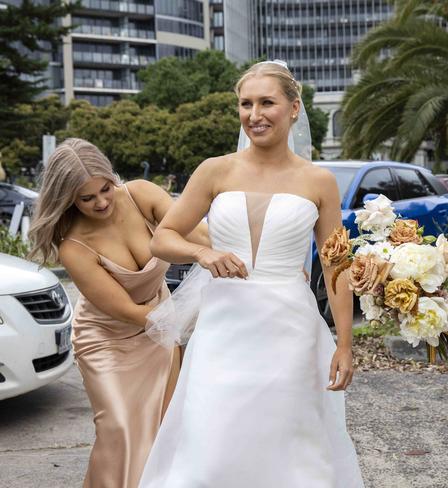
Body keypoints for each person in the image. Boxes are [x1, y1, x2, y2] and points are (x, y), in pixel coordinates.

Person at [138, 61, 364, 487]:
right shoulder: (215, 170)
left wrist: (345, 344)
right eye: (246, 104)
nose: (254, 114)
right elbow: (162, 238)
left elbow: (336, 265)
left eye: (267, 102)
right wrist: (202, 253)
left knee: (288, 446)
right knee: (211, 441)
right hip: (224, 327)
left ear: (294, 109)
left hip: (290, 331)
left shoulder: (319, 181)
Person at [28, 138, 209, 488]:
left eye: (106, 188)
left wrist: (244, 257)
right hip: (108, 339)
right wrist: (191, 316)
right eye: (87, 198)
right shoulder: (74, 245)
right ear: (67, 199)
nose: (102, 202)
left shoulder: (141, 194)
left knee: (162, 426)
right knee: (120, 429)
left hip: (160, 330)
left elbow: (197, 235)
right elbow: (128, 311)